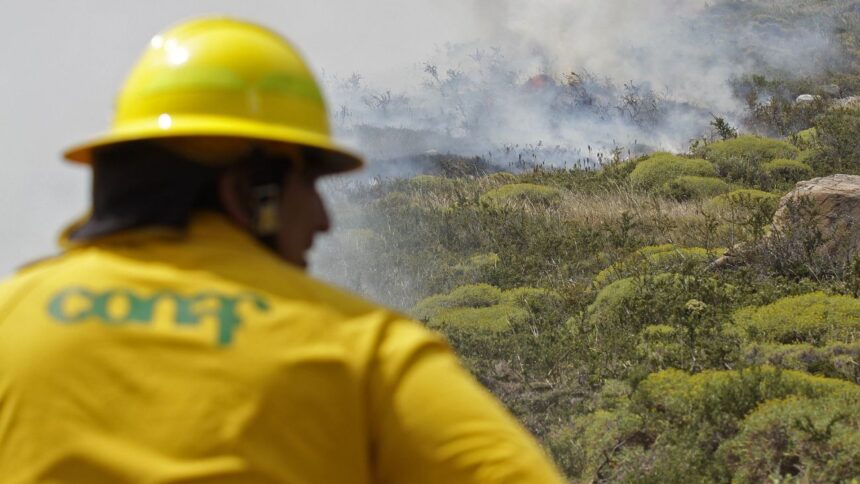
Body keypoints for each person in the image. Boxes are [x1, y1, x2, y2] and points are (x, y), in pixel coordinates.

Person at [0, 17, 564, 483]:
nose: (322, 219)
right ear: (250, 191)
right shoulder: (365, 353)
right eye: (310, 182)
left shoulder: (11, 318)